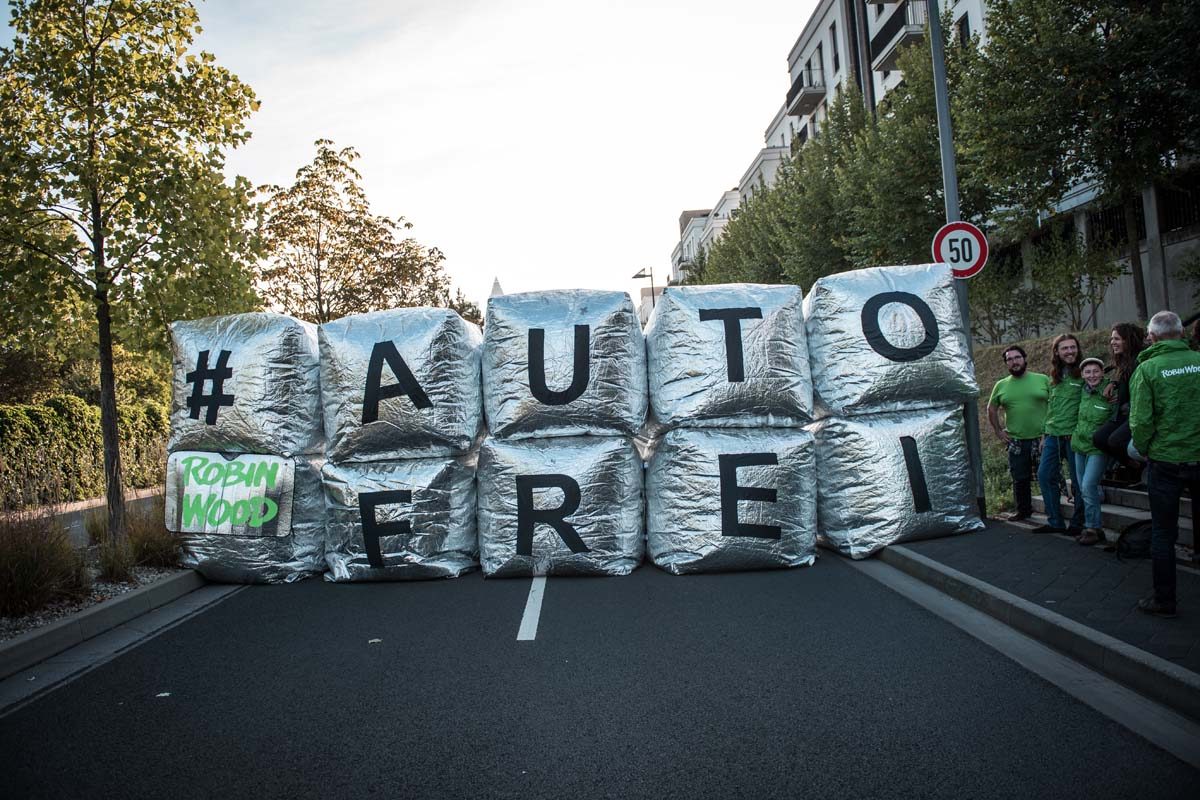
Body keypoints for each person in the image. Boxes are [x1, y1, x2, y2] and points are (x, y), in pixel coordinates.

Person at [1129, 310, 1200, 618]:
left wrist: (1144, 450)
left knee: (1163, 533)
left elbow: (1141, 422)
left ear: (1152, 337)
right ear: (1182, 334)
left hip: (1165, 461)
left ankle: (1164, 599)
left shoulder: (1147, 369)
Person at [987, 345, 1051, 522]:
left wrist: (1049, 432)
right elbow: (991, 409)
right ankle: (1023, 511)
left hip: (1043, 438)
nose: (1014, 362)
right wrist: (999, 432)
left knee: (1047, 477)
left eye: (1017, 358)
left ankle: (1054, 512)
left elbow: (1054, 406)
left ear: (1024, 359)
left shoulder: (1042, 379)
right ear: (1006, 363)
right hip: (1016, 440)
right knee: (1019, 479)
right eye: (1010, 359)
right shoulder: (1001, 385)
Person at [1034, 333, 1086, 534]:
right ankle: (1055, 521)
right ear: (1057, 352)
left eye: (1073, 347)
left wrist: (1079, 432)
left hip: (1074, 437)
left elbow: (1088, 406)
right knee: (1045, 475)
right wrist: (1044, 435)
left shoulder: (1084, 374)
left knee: (1078, 481)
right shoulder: (1053, 377)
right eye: (1065, 348)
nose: (1070, 351)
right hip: (1052, 435)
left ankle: (1078, 522)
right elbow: (1052, 408)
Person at [1072, 357, 1115, 546]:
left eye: (1096, 371)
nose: (1092, 375)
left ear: (1102, 373)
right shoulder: (1081, 392)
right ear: (1082, 375)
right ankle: (1095, 528)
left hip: (1098, 448)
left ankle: (1091, 527)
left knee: (1089, 485)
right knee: (1083, 488)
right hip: (1079, 446)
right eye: (1087, 372)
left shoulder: (1110, 392)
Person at [1093, 323, 1146, 474]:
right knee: (1099, 438)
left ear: (1128, 340)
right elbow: (1122, 374)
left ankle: (1142, 468)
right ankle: (1134, 467)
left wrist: (1127, 404)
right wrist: (1113, 383)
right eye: (1111, 339)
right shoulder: (1124, 359)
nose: (1112, 342)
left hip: (1134, 412)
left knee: (1115, 441)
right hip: (1122, 412)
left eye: (1117, 339)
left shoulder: (1141, 360)